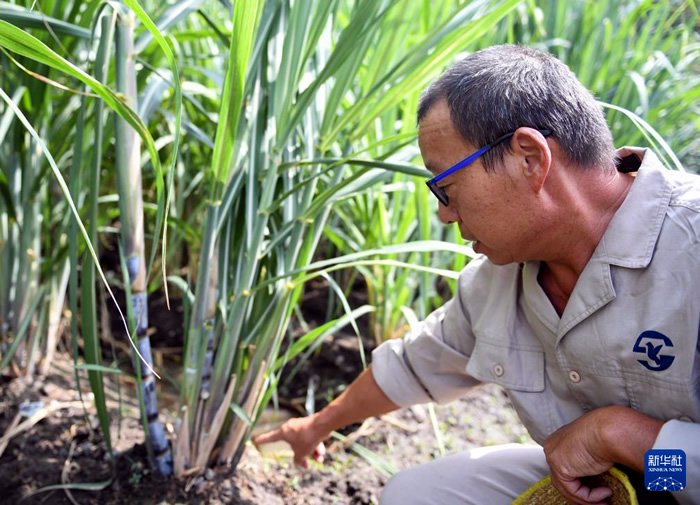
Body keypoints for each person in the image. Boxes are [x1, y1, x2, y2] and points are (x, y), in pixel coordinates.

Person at [255, 45, 699, 505]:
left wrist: (619, 435)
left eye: (445, 188)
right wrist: (316, 425)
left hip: (675, 480)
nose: (445, 215)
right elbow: (415, 364)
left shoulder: (692, 246)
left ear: (529, 158)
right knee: (417, 495)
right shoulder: (499, 281)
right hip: (601, 482)